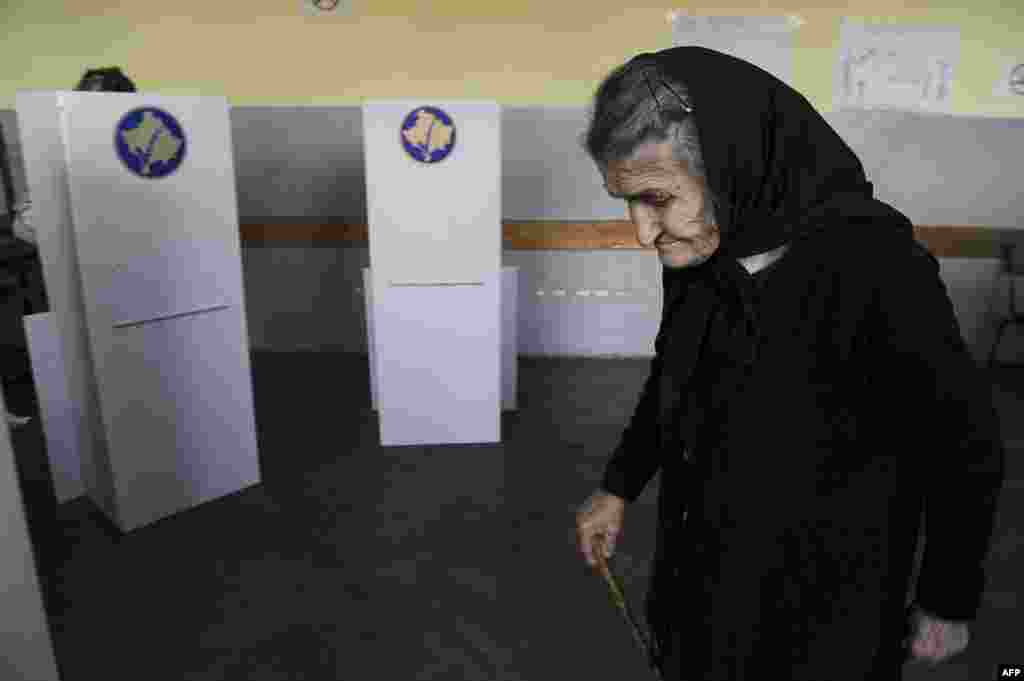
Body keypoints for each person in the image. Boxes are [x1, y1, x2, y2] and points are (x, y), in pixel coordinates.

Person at [573, 47, 1004, 680]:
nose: (642, 233)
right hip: (701, 573)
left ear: (729, 169)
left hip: (822, 601)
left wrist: (946, 600)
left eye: (657, 199)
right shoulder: (700, 257)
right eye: (628, 203)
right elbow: (673, 377)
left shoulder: (877, 266)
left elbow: (964, 443)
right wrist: (619, 485)